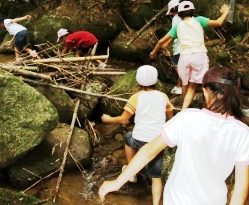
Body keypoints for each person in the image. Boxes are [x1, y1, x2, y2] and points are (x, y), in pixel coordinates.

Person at [99, 66, 249, 205]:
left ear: (205, 91)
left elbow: (149, 150)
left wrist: (118, 181)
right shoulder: (243, 132)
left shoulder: (187, 118)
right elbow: (241, 188)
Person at [101, 65, 174, 205]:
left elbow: (123, 119)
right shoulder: (163, 96)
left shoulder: (135, 97)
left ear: (138, 82)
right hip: (158, 142)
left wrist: (108, 119)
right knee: (156, 177)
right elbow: (170, 115)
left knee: (129, 137)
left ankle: (132, 171)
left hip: (139, 140)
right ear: (155, 80)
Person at [150, 1, 230, 109]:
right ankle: (207, 108)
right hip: (199, 55)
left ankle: (184, 110)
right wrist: (225, 13)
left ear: (179, 14)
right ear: (193, 11)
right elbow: (218, 23)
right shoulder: (199, 20)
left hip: (184, 57)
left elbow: (160, 41)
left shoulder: (177, 26)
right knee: (198, 85)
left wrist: (153, 52)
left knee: (185, 84)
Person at [165, 0, 182, 95]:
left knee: (177, 66)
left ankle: (182, 86)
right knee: (181, 66)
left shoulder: (176, 18)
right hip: (186, 46)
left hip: (179, 46)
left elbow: (175, 33)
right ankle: (179, 85)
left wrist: (167, 43)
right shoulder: (188, 17)